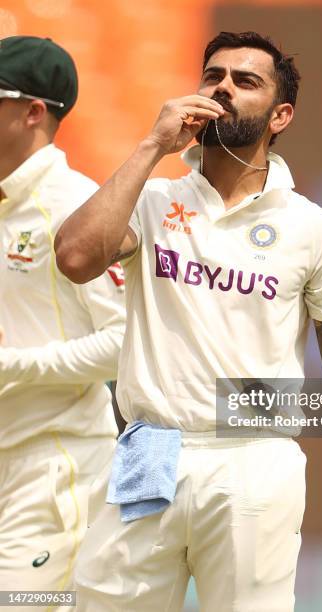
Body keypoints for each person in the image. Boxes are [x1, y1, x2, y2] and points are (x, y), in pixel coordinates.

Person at [56, 31, 322, 612]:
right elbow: (75, 258)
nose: (223, 88)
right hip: (149, 450)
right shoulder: (153, 200)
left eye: (246, 81)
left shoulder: (315, 229)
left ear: (280, 115)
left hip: (253, 459)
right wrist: (150, 146)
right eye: (213, 76)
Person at [0, 35, 126, 607]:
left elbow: (126, 341)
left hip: (53, 469)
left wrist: (14, 366)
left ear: (32, 112)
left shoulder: (75, 205)